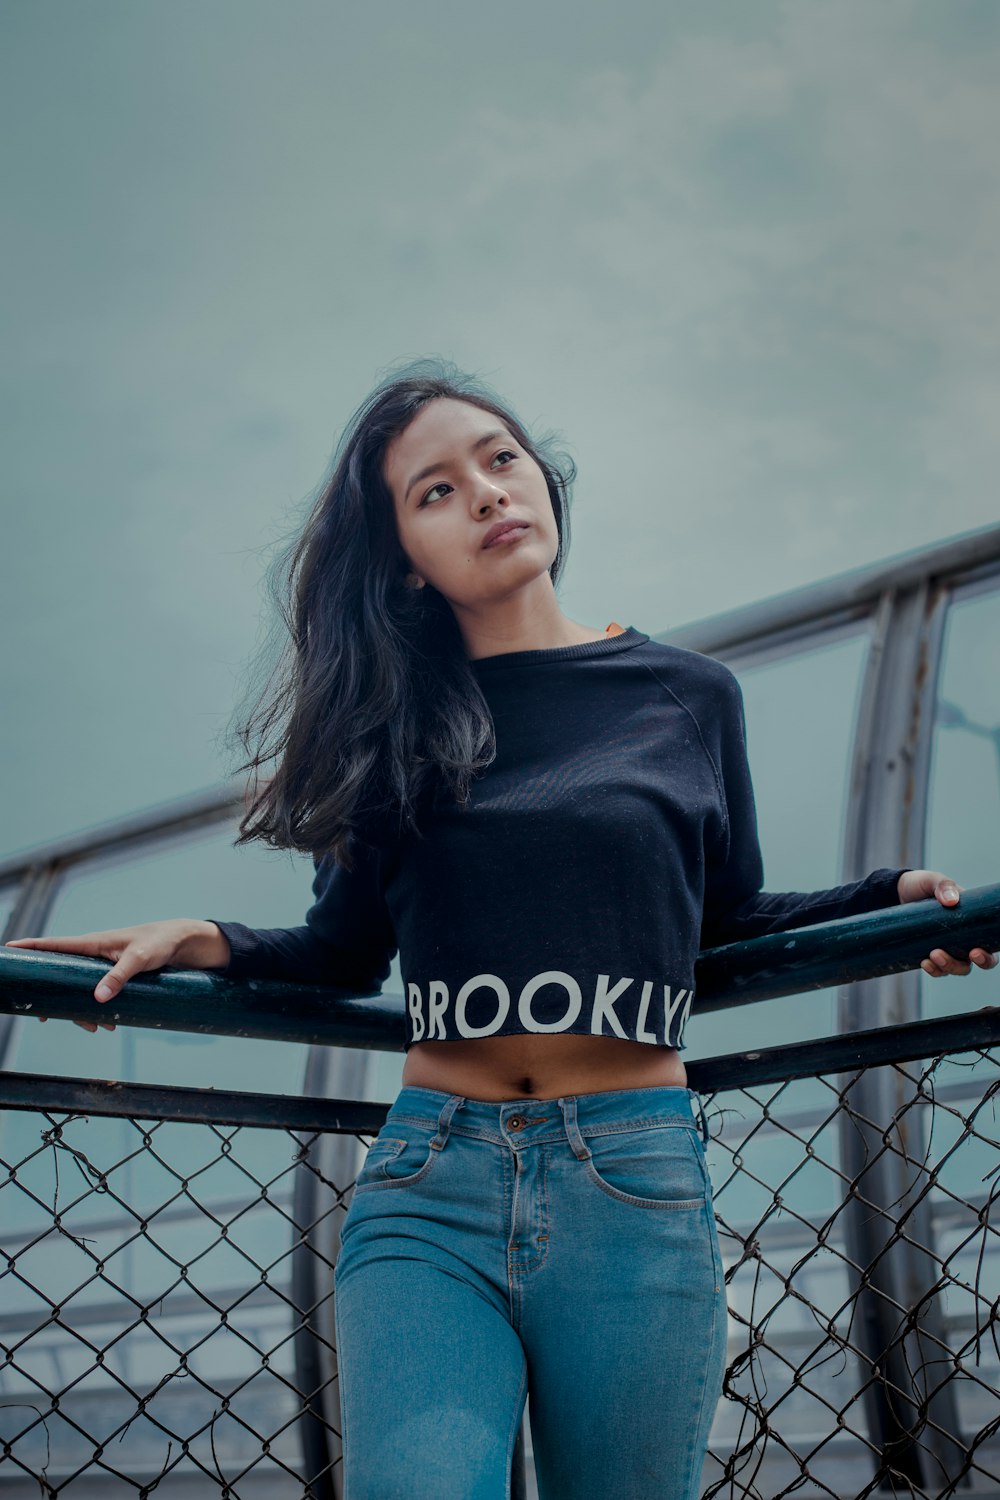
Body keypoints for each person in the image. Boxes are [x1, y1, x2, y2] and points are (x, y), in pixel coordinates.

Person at [8, 361, 996, 1500]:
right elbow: (339, 952)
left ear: (540, 482)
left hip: (632, 1176)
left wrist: (884, 903)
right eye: (433, 491)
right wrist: (204, 937)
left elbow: (720, 918)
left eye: (499, 458)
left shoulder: (685, 694)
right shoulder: (393, 728)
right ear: (403, 563)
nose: (483, 493)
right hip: (431, 1181)